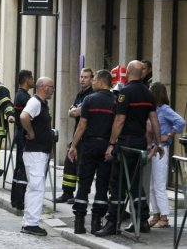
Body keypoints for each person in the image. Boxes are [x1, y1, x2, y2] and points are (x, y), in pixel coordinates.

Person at [95, 60, 164, 237]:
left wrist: (111, 143)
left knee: (117, 183)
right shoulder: (148, 94)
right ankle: (142, 221)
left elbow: (119, 120)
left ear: (128, 73)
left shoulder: (124, 93)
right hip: (140, 143)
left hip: (126, 144)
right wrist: (158, 143)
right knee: (135, 183)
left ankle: (112, 223)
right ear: (141, 73)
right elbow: (154, 121)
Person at [68, 70, 115, 234]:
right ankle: (97, 222)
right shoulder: (115, 101)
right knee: (102, 184)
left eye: (94, 79)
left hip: (89, 145)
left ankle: (79, 223)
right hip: (106, 146)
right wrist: (112, 144)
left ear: (102, 81)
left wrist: (73, 145)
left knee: (84, 183)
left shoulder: (89, 99)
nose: (92, 82)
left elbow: (82, 125)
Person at [20, 77, 54, 237]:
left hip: (39, 151)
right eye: (51, 86)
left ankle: (30, 221)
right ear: (44, 87)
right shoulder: (35, 102)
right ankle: (30, 223)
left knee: (35, 186)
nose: (53, 89)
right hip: (35, 152)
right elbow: (23, 116)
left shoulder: (41, 103)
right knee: (36, 187)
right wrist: (31, 132)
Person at [148, 82, 185, 228]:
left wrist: (169, 135)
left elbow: (181, 121)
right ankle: (155, 214)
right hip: (153, 148)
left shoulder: (164, 109)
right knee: (152, 185)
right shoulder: (154, 109)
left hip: (161, 149)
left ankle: (164, 217)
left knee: (159, 184)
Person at [56, 68, 94, 204]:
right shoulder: (80, 94)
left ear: (92, 79)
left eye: (86, 77)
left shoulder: (91, 94)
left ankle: (80, 195)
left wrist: (73, 111)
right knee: (70, 163)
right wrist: (73, 111)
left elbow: (75, 112)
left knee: (81, 166)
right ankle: (67, 192)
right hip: (77, 134)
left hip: (86, 135)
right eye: (81, 77)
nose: (82, 79)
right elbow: (71, 111)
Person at [11, 70, 34, 210]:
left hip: (19, 132)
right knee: (23, 166)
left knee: (20, 165)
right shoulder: (24, 97)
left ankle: (15, 198)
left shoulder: (20, 95)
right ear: (27, 80)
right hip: (23, 134)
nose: (33, 81)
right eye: (31, 78)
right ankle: (19, 200)